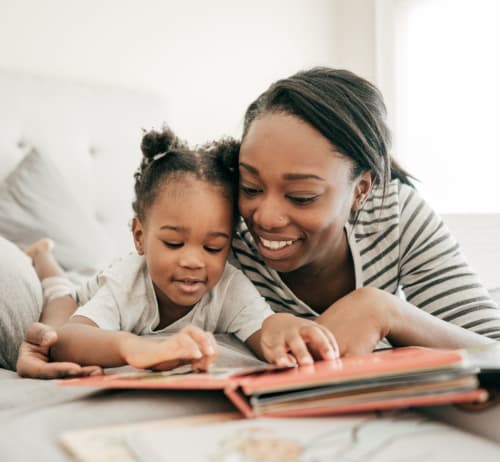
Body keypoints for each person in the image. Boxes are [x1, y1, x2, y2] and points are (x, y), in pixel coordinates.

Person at [17, 67, 500, 378]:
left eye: (301, 195)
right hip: (94, 284)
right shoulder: (217, 234)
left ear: (362, 189)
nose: (264, 217)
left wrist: (384, 309)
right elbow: (123, 306)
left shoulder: (398, 217)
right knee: (64, 286)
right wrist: (50, 338)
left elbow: (491, 346)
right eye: (250, 186)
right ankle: (45, 257)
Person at [16, 127, 338, 377]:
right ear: (140, 236)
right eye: (173, 243)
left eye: (213, 247)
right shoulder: (126, 284)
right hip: (83, 293)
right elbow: (70, 339)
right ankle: (43, 255)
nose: (193, 261)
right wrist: (134, 347)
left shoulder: (229, 286)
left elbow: (263, 327)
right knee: (57, 304)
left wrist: (287, 327)